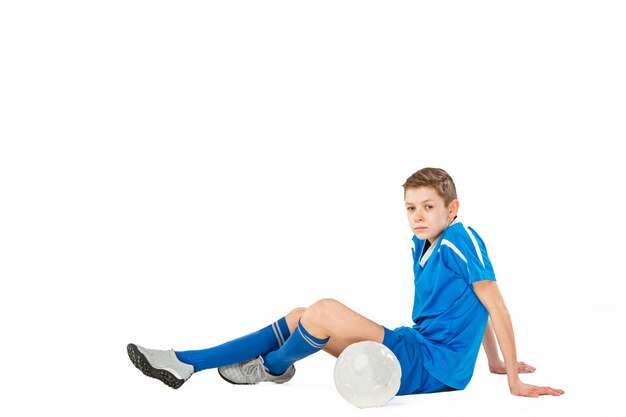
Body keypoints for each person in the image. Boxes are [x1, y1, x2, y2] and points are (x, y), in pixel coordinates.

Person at [127, 167, 564, 398]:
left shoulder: (460, 238)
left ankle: (271, 367)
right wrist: (490, 362)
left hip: (431, 366)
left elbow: (496, 304)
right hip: (419, 350)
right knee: (304, 315)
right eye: (410, 208)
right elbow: (476, 304)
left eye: (428, 207)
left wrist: (511, 378)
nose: (417, 216)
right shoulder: (424, 245)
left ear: (452, 208)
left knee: (323, 310)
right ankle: (189, 362)